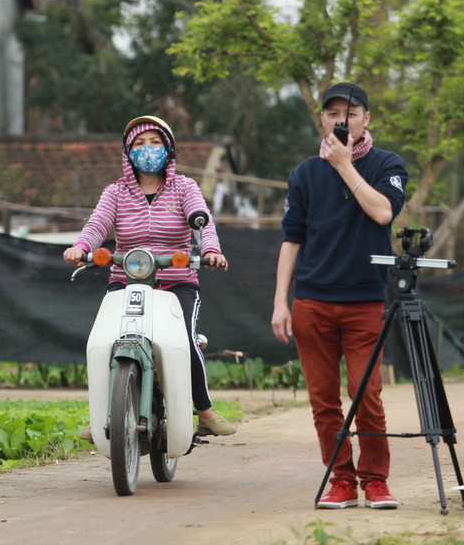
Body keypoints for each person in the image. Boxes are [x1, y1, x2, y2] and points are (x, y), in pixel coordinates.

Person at [272, 82, 408, 510]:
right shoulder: (305, 174)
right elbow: (291, 241)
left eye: (350, 113)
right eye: (332, 113)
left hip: (365, 300)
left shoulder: (388, 164)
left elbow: (383, 211)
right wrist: (280, 302)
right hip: (311, 300)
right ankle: (342, 479)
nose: (340, 120)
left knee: (365, 391)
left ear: (366, 119)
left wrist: (346, 165)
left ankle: (376, 479)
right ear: (322, 119)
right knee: (323, 399)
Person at [64, 116, 236, 438]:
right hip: (126, 280)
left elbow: (202, 221)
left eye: (155, 142)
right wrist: (81, 246)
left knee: (185, 339)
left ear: (168, 149)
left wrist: (210, 249)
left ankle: (206, 412)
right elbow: (98, 224)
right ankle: (104, 412)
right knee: (104, 341)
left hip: (178, 281)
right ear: (128, 152)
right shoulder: (115, 192)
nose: (148, 149)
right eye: (140, 144)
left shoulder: (185, 188)